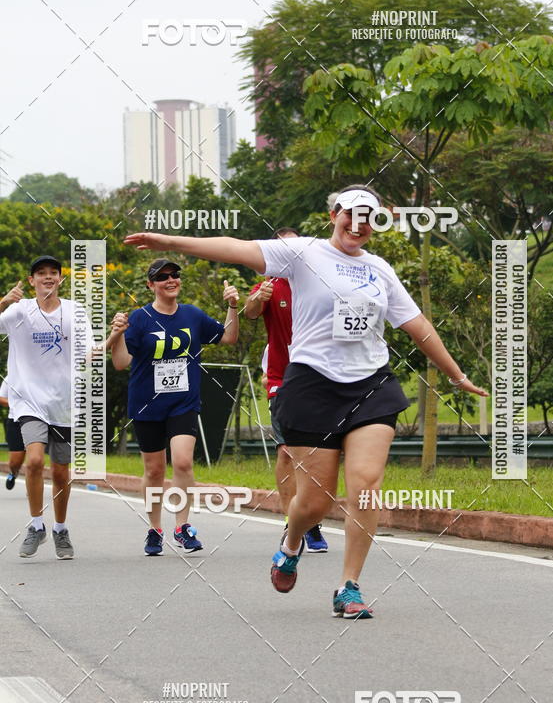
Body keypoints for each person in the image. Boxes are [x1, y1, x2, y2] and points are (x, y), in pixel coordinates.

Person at [124, 186, 488, 618]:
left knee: (366, 486)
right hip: (312, 385)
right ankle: (292, 542)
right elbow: (236, 249)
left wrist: (456, 374)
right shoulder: (302, 253)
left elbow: (417, 324)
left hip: (370, 385)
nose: (358, 225)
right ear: (333, 214)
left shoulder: (380, 271)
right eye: (350, 215)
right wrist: (170, 241)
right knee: (314, 502)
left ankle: (348, 586)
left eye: (368, 218)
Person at [109, 258, 239, 556]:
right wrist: (116, 334)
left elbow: (229, 337)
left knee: (182, 462)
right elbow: (120, 362)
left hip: (184, 402)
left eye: (175, 275)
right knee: (154, 471)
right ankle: (155, 530)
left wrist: (232, 306)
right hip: (146, 405)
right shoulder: (140, 319)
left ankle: (182, 526)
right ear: (150, 284)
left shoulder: (193, 315)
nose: (171, 280)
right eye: (163, 276)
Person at [0, 257, 91, 559]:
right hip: (28, 401)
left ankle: (60, 529)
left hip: (65, 404)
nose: (48, 277)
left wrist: (112, 339)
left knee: (62, 473)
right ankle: (36, 524)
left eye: (53, 273)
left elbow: (89, 350)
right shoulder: (19, 310)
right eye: (42, 274)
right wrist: (3, 302)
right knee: (35, 460)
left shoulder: (75, 311)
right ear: (31, 281)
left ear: (61, 280)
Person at [245, 227, 328, 553]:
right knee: (286, 451)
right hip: (282, 379)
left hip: (322, 378)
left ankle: (312, 521)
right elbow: (251, 313)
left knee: (316, 454)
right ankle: (291, 522)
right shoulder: (269, 285)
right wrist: (255, 299)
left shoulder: (320, 283)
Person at [0, 379, 26, 490]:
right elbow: (1, 398)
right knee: (15, 461)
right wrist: (16, 404)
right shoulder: (10, 377)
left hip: (38, 421)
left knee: (36, 460)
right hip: (15, 421)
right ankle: (13, 473)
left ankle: (33, 487)